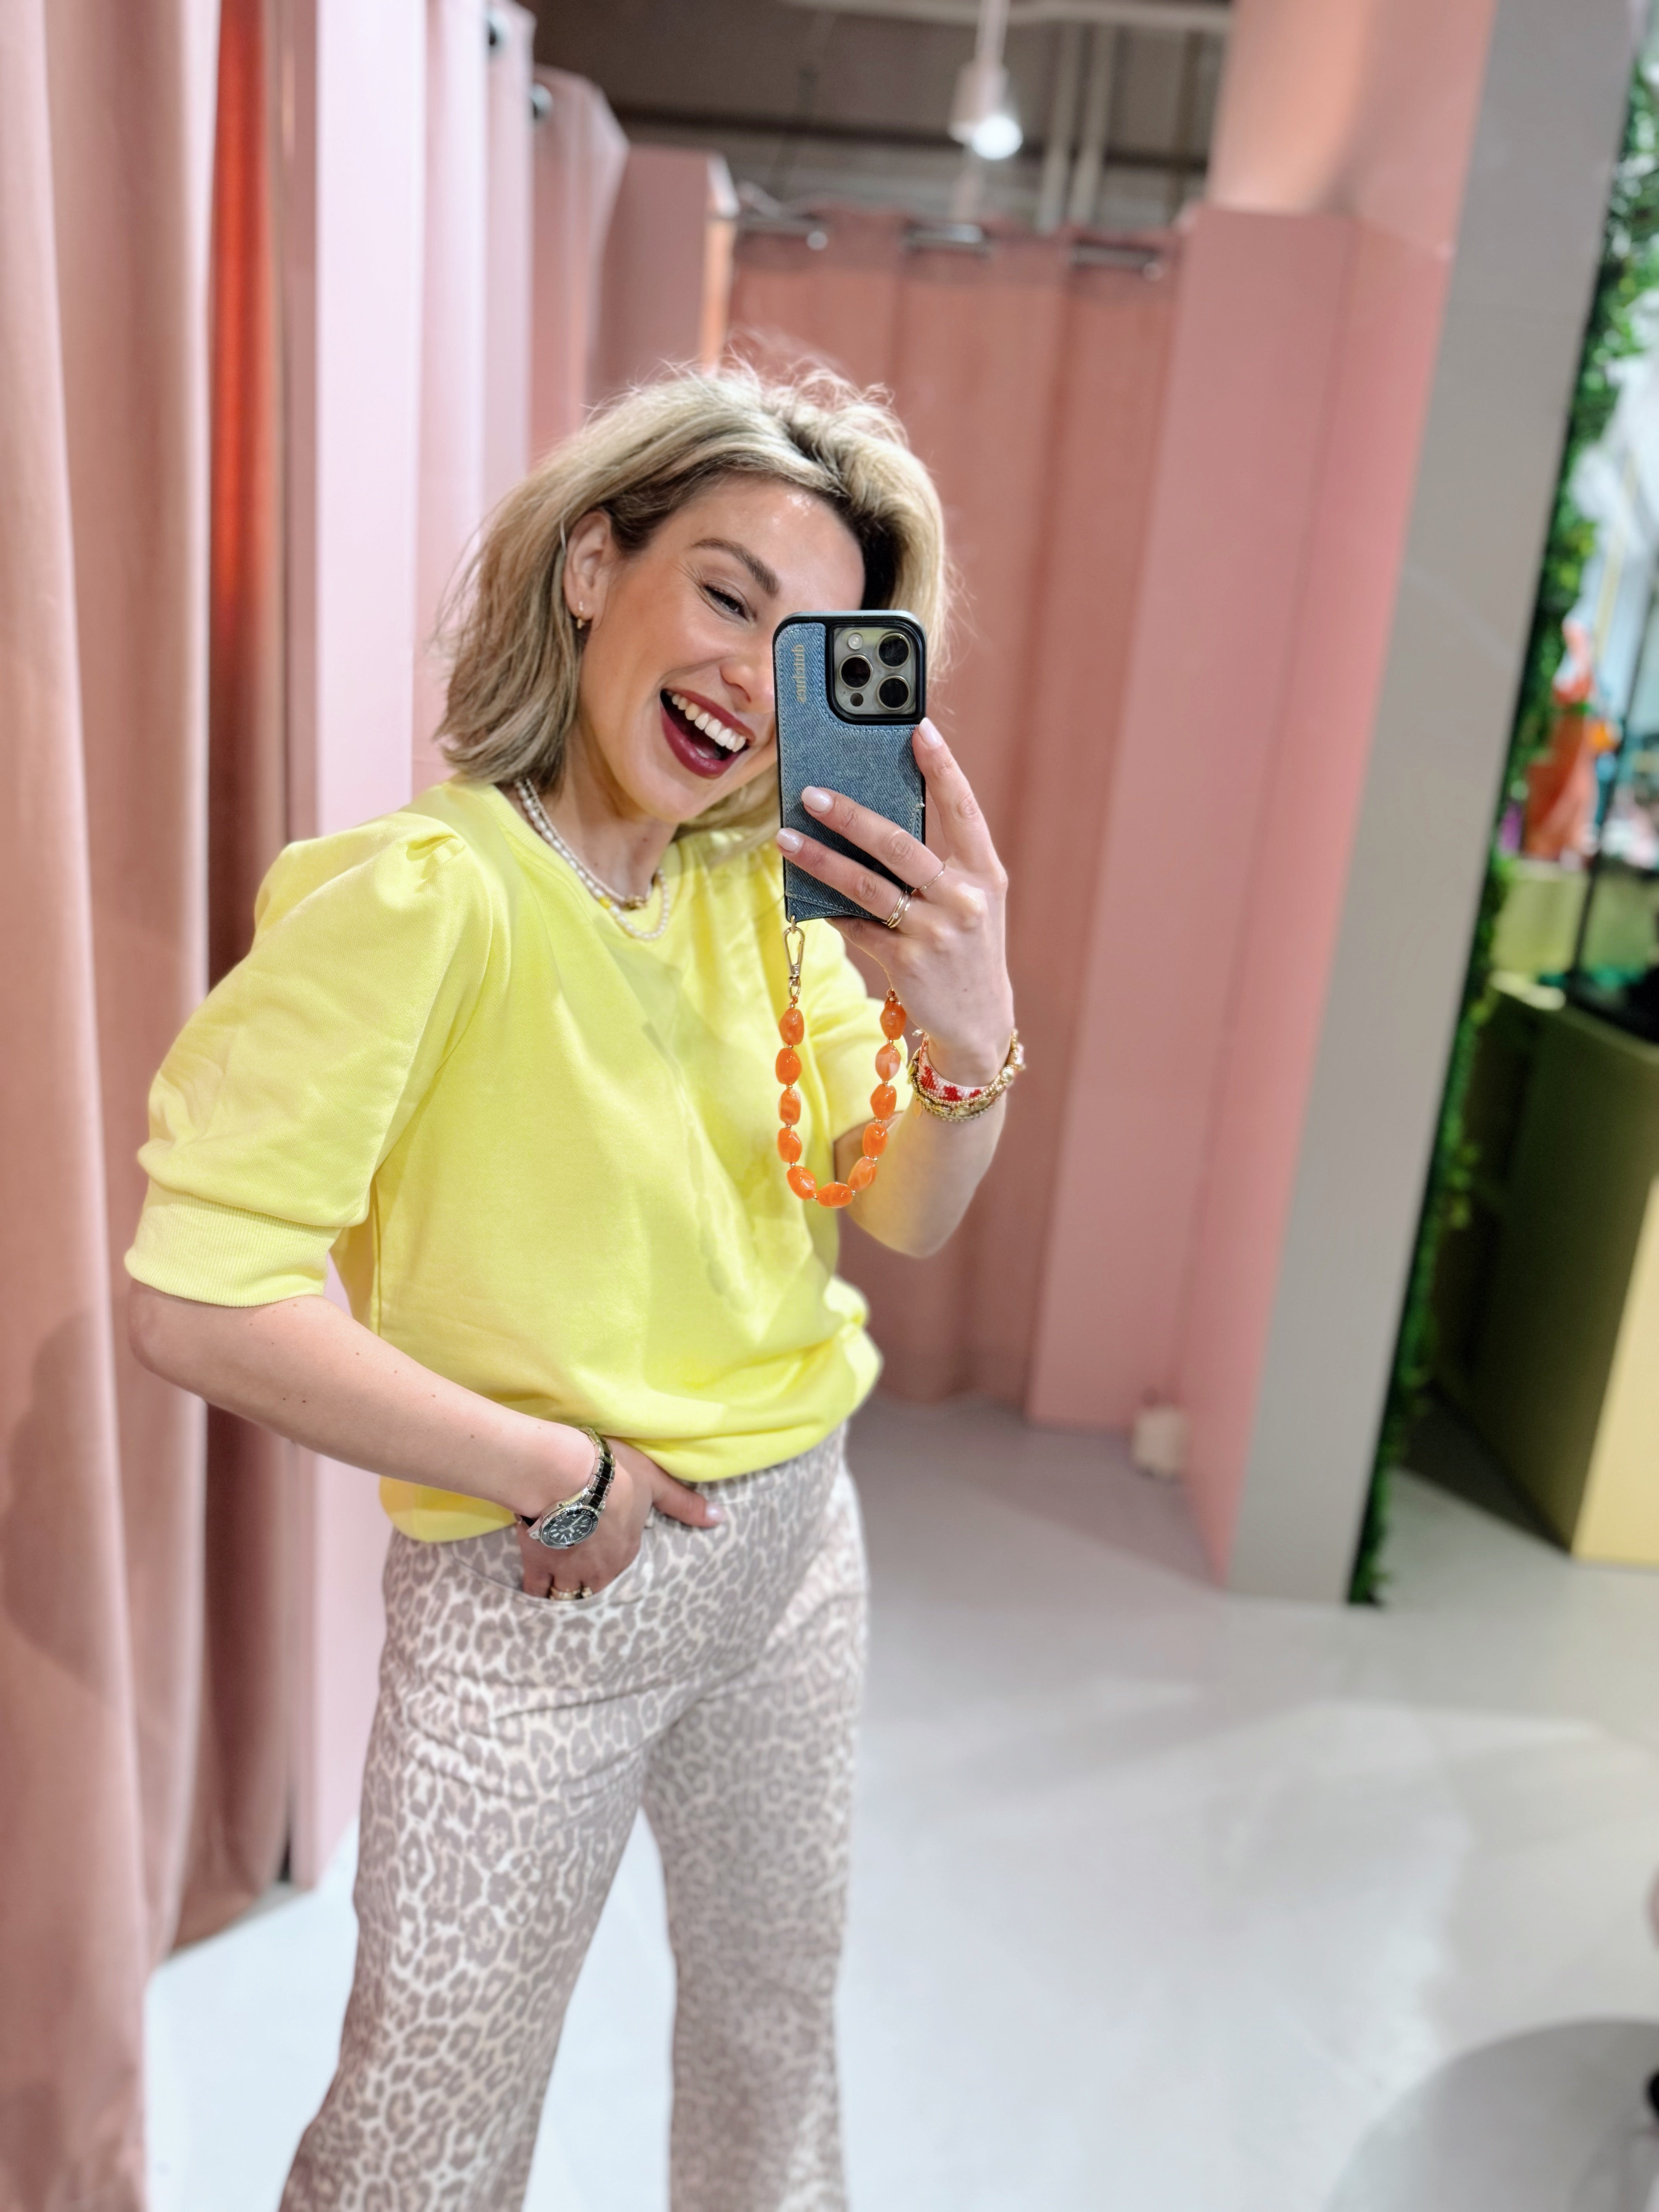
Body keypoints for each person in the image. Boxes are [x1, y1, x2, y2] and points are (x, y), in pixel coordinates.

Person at [126, 365, 1020, 2210]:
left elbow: (911, 1215)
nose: (749, 679)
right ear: (595, 566)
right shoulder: (423, 898)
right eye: (727, 595)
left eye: (806, 650)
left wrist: (971, 1026)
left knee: (773, 2052)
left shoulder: (766, 901)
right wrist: (554, 1468)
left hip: (798, 1558)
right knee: (420, 2146)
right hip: (541, 1597)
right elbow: (199, 1297)